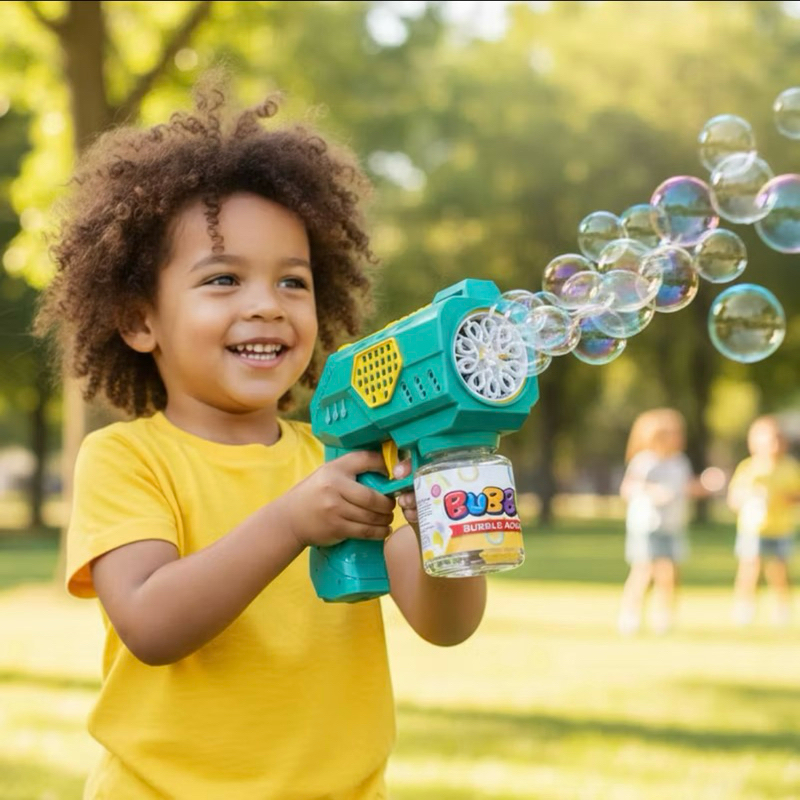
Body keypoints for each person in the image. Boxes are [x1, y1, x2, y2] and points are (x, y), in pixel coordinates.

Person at [34, 74, 487, 799]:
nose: (266, 307)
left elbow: (445, 625)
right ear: (138, 319)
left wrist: (447, 507)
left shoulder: (349, 458)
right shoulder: (127, 458)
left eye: (293, 283)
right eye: (222, 280)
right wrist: (290, 521)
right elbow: (151, 623)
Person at [617, 408, 705, 636]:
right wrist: (652, 491)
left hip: (673, 525)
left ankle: (664, 616)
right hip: (647, 525)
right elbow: (628, 488)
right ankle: (630, 614)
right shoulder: (644, 462)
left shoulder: (680, 461)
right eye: (673, 434)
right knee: (644, 570)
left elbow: (686, 487)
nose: (679, 438)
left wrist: (704, 486)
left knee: (670, 573)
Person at [726, 415, 800, 627]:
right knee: (749, 568)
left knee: (779, 571)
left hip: (780, 528)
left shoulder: (790, 468)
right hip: (753, 529)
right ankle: (744, 606)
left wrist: (786, 498)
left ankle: (782, 607)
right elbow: (734, 498)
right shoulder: (748, 468)